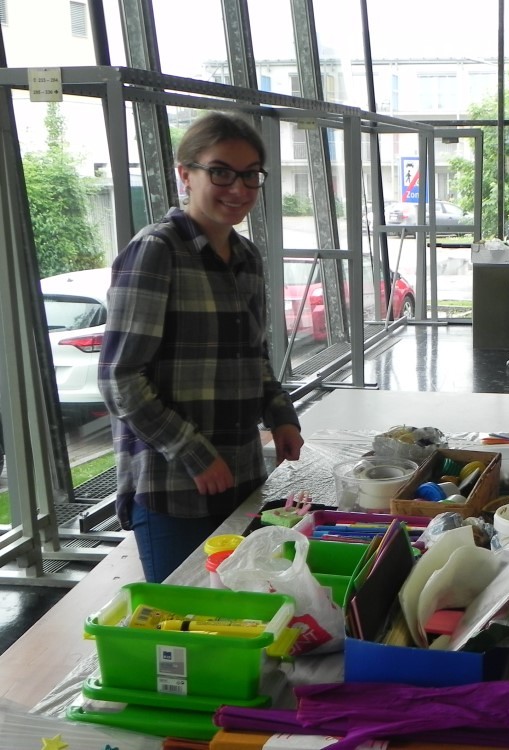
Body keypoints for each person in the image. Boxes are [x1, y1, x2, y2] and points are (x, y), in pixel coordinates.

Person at [98, 111, 304, 583]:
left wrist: (280, 414)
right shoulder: (157, 251)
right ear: (185, 174)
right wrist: (193, 452)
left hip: (242, 473)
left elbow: (253, 356)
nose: (238, 188)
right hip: (173, 486)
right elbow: (119, 377)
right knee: (187, 613)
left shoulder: (247, 257)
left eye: (250, 175)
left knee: (243, 603)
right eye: (221, 172)